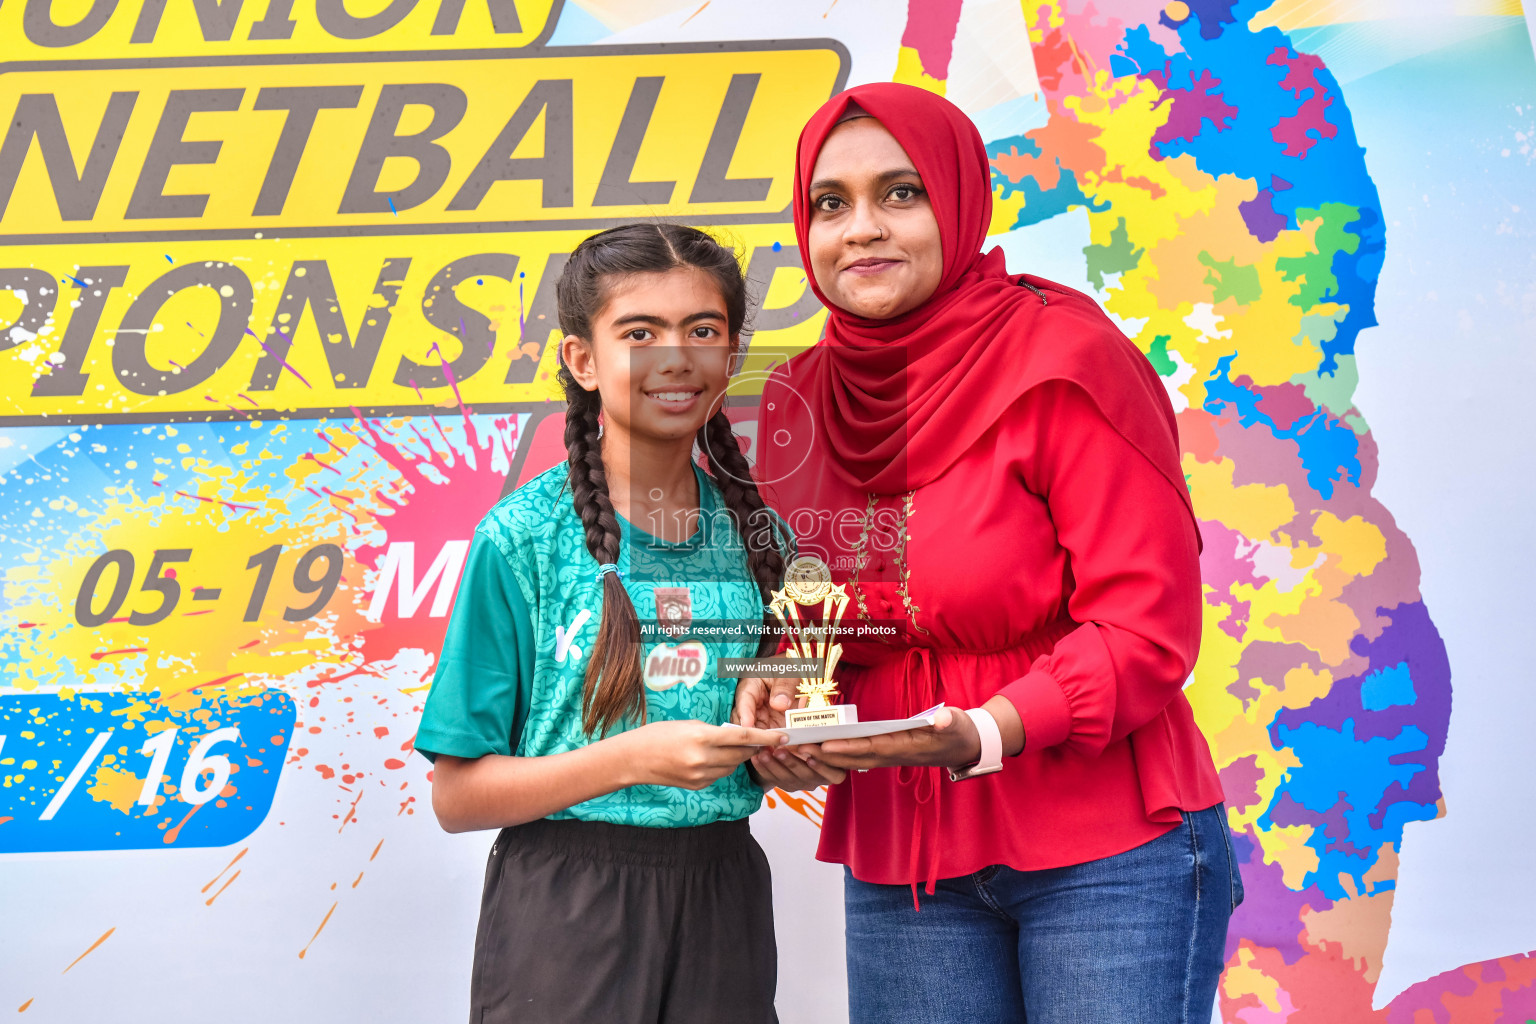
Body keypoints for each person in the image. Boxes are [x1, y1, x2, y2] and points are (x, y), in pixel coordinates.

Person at [738, 83, 1241, 1024]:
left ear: (960, 202)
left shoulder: (1065, 361)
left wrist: (988, 730)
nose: (862, 230)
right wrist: (784, 683)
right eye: (831, 203)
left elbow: (1146, 625)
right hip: (906, 859)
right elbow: (812, 604)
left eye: (902, 192)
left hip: (1108, 852)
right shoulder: (799, 396)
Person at [417, 224, 819, 1024]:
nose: (676, 359)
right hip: (570, 903)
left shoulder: (763, 537)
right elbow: (457, 797)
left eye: (703, 331)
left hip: (724, 897)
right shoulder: (522, 539)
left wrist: (793, 744)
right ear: (582, 360)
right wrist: (630, 760)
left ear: (732, 354)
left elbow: (781, 700)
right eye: (640, 333)